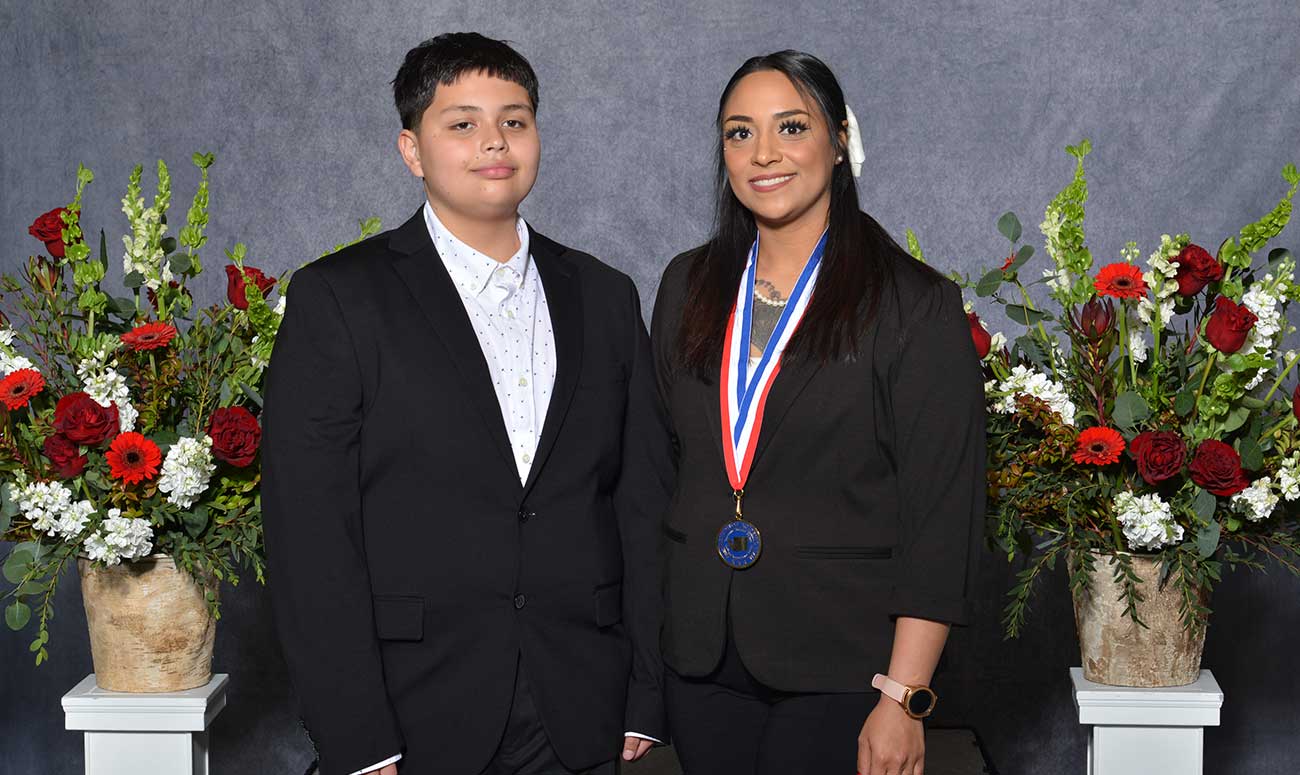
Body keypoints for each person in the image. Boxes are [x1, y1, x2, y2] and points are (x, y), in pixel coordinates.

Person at [263, 32, 670, 775]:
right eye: (463, 123)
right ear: (412, 150)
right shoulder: (340, 298)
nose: (495, 142)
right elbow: (310, 534)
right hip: (411, 710)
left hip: (581, 703)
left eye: (515, 120)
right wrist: (358, 735)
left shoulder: (605, 295)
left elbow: (639, 505)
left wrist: (648, 692)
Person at [650, 50, 986, 775]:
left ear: (839, 141)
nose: (763, 153)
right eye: (739, 133)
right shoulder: (687, 285)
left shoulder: (913, 303)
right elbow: (662, 468)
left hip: (847, 668)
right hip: (702, 659)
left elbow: (942, 516)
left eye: (790, 127)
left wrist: (904, 696)